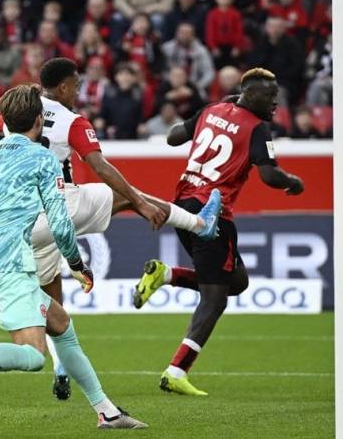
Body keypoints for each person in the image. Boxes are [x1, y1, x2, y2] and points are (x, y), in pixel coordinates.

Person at [0, 58, 223, 400]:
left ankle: (62, 368)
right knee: (129, 196)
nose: (79, 91)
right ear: (64, 86)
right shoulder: (72, 121)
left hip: (20, 218)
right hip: (57, 203)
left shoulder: (18, 110)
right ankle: (200, 223)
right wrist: (138, 203)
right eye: (77, 85)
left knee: (53, 301)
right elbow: (99, 165)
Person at [0, 85, 147, 429]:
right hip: (10, 266)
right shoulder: (42, 158)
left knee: (61, 324)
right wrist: (76, 264)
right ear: (39, 119)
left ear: (5, 120)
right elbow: (59, 223)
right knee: (32, 356)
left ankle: (107, 412)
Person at [131, 68, 305, 396]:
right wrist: (293, 182)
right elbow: (269, 176)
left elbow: (172, 137)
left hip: (182, 206)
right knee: (216, 298)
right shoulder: (257, 128)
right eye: (270, 95)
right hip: (213, 216)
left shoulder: (211, 109)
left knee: (236, 281)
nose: (276, 102)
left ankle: (165, 275)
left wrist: (212, 115)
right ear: (251, 95)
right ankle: (176, 371)